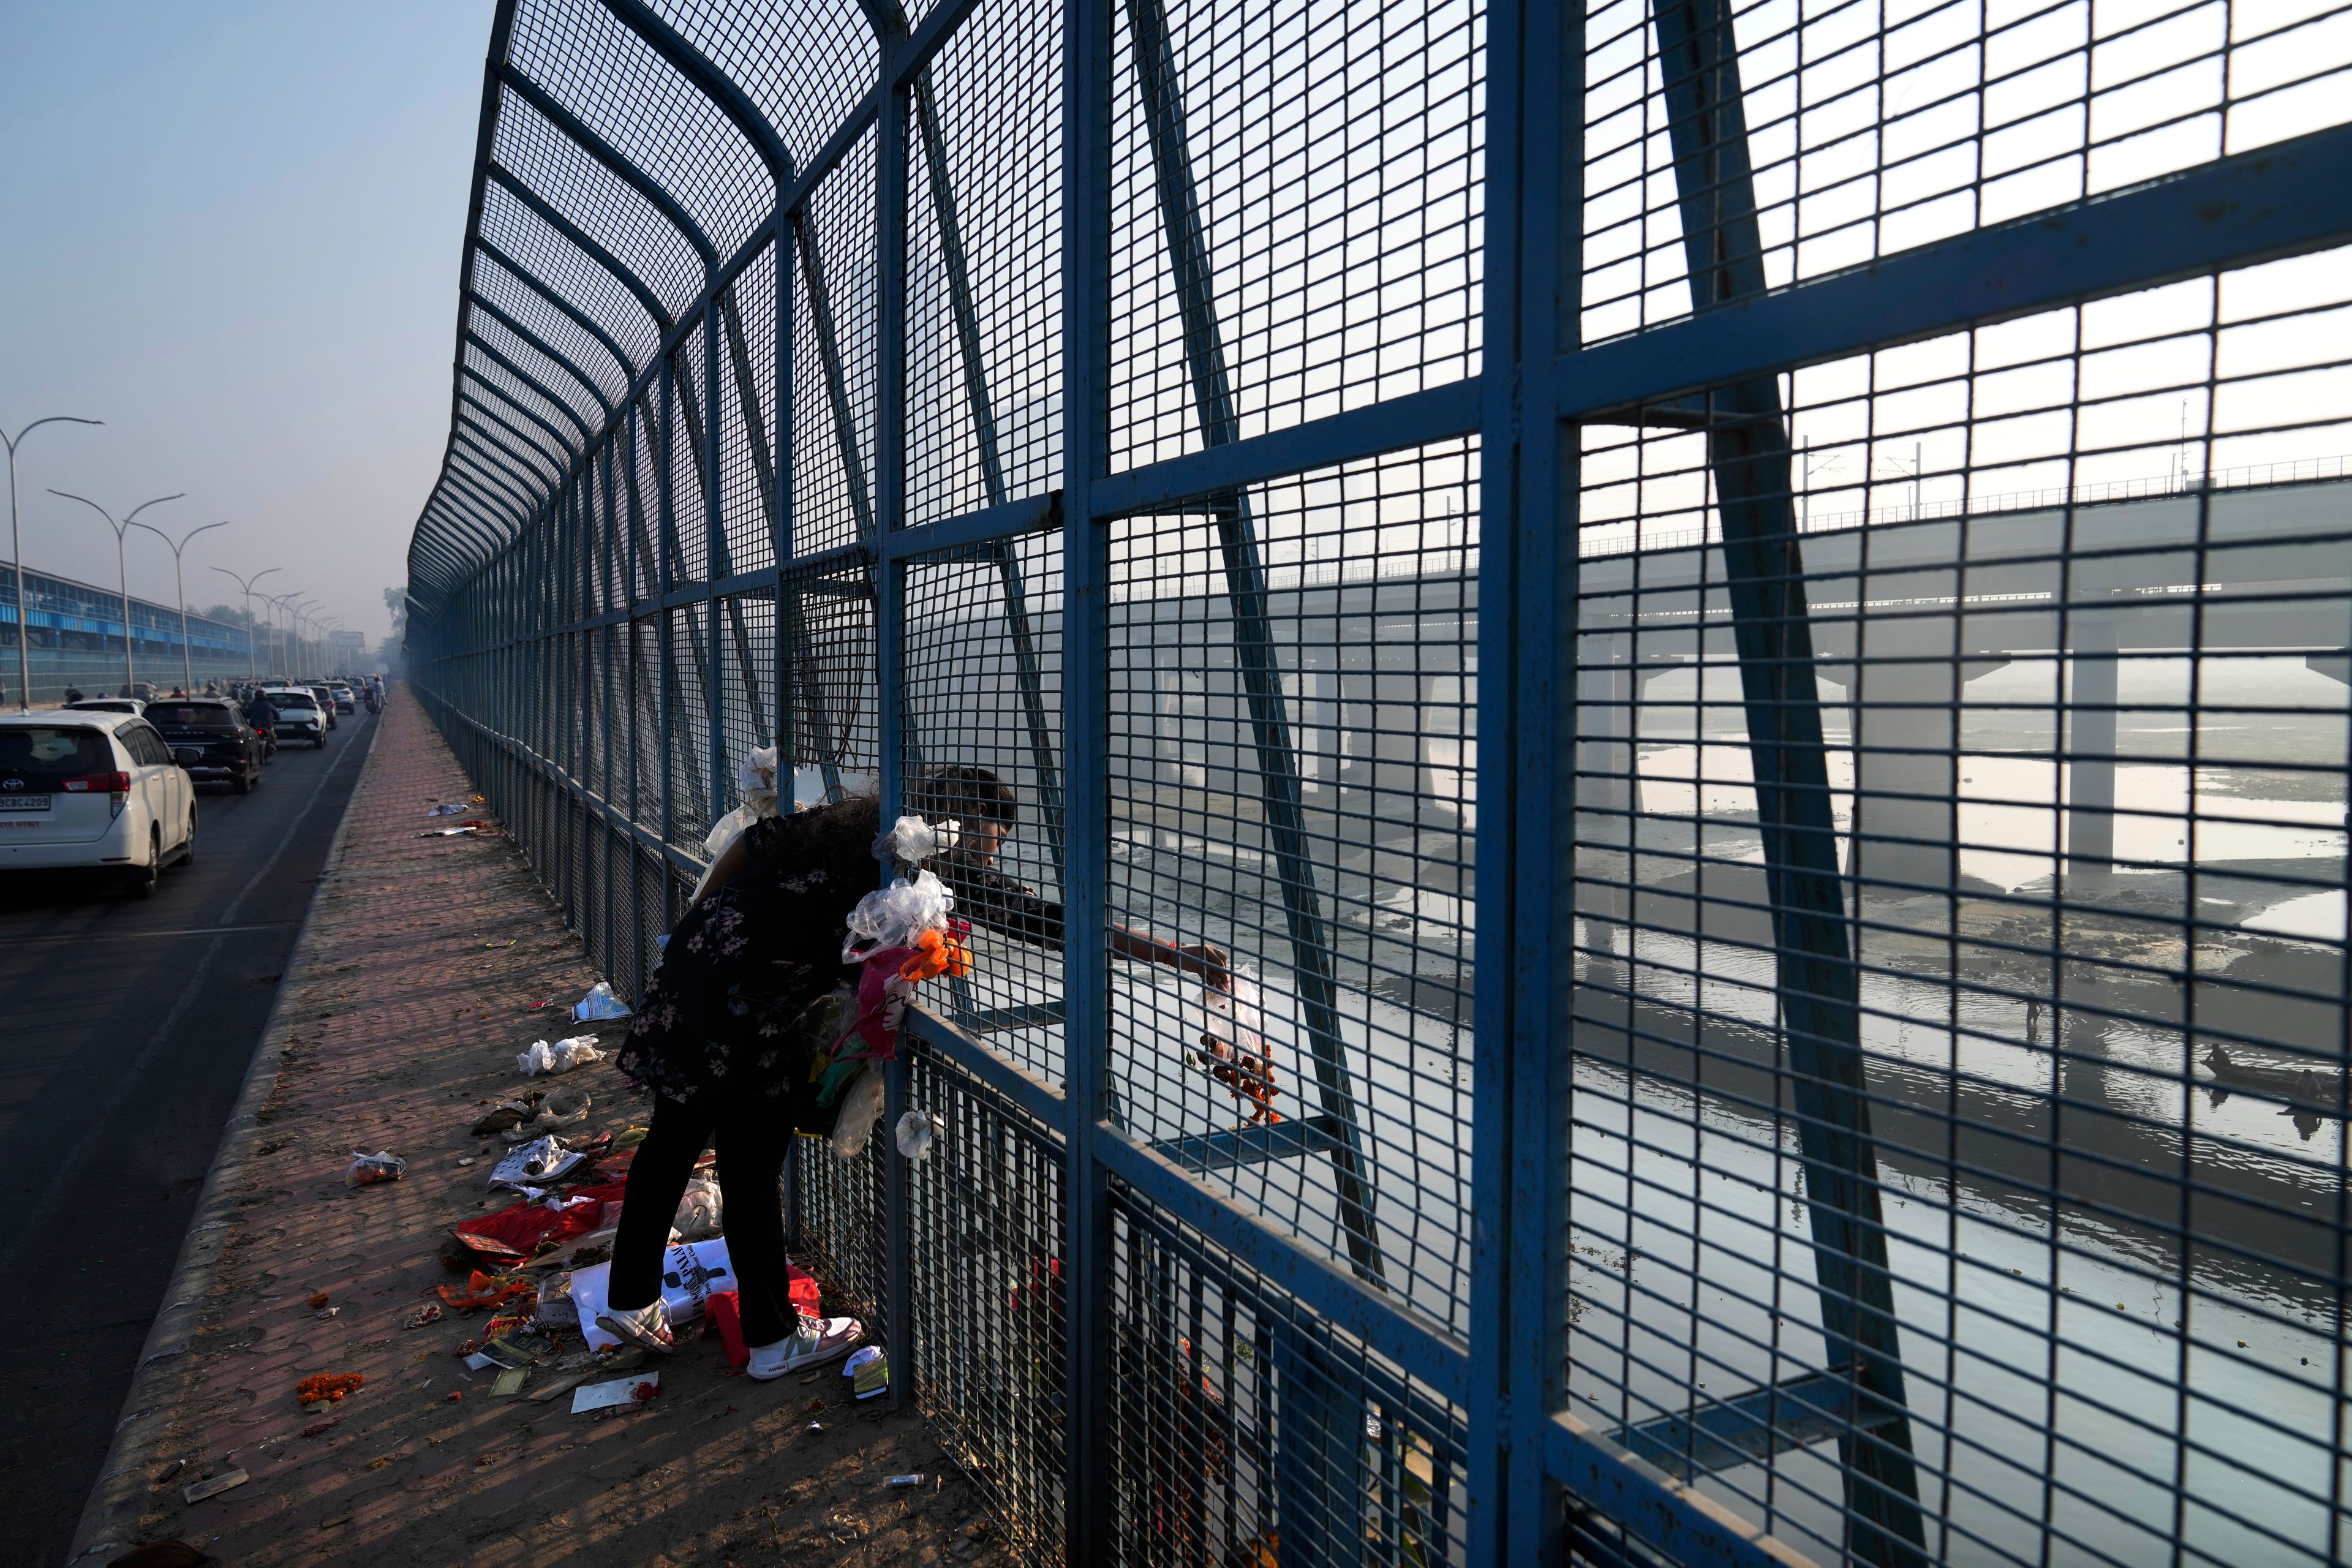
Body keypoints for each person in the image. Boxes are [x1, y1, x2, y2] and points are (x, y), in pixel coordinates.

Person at [600, 766, 1226, 1375]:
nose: (989, 857)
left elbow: (746, 842)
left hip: (702, 965)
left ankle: (631, 1300)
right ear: (968, 819)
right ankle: (770, 1337)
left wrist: (694, 924)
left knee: (673, 1139)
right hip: (763, 1008)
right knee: (749, 1165)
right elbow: (1050, 923)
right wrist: (1174, 954)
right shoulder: (928, 864)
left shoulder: (858, 825)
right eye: (992, 838)